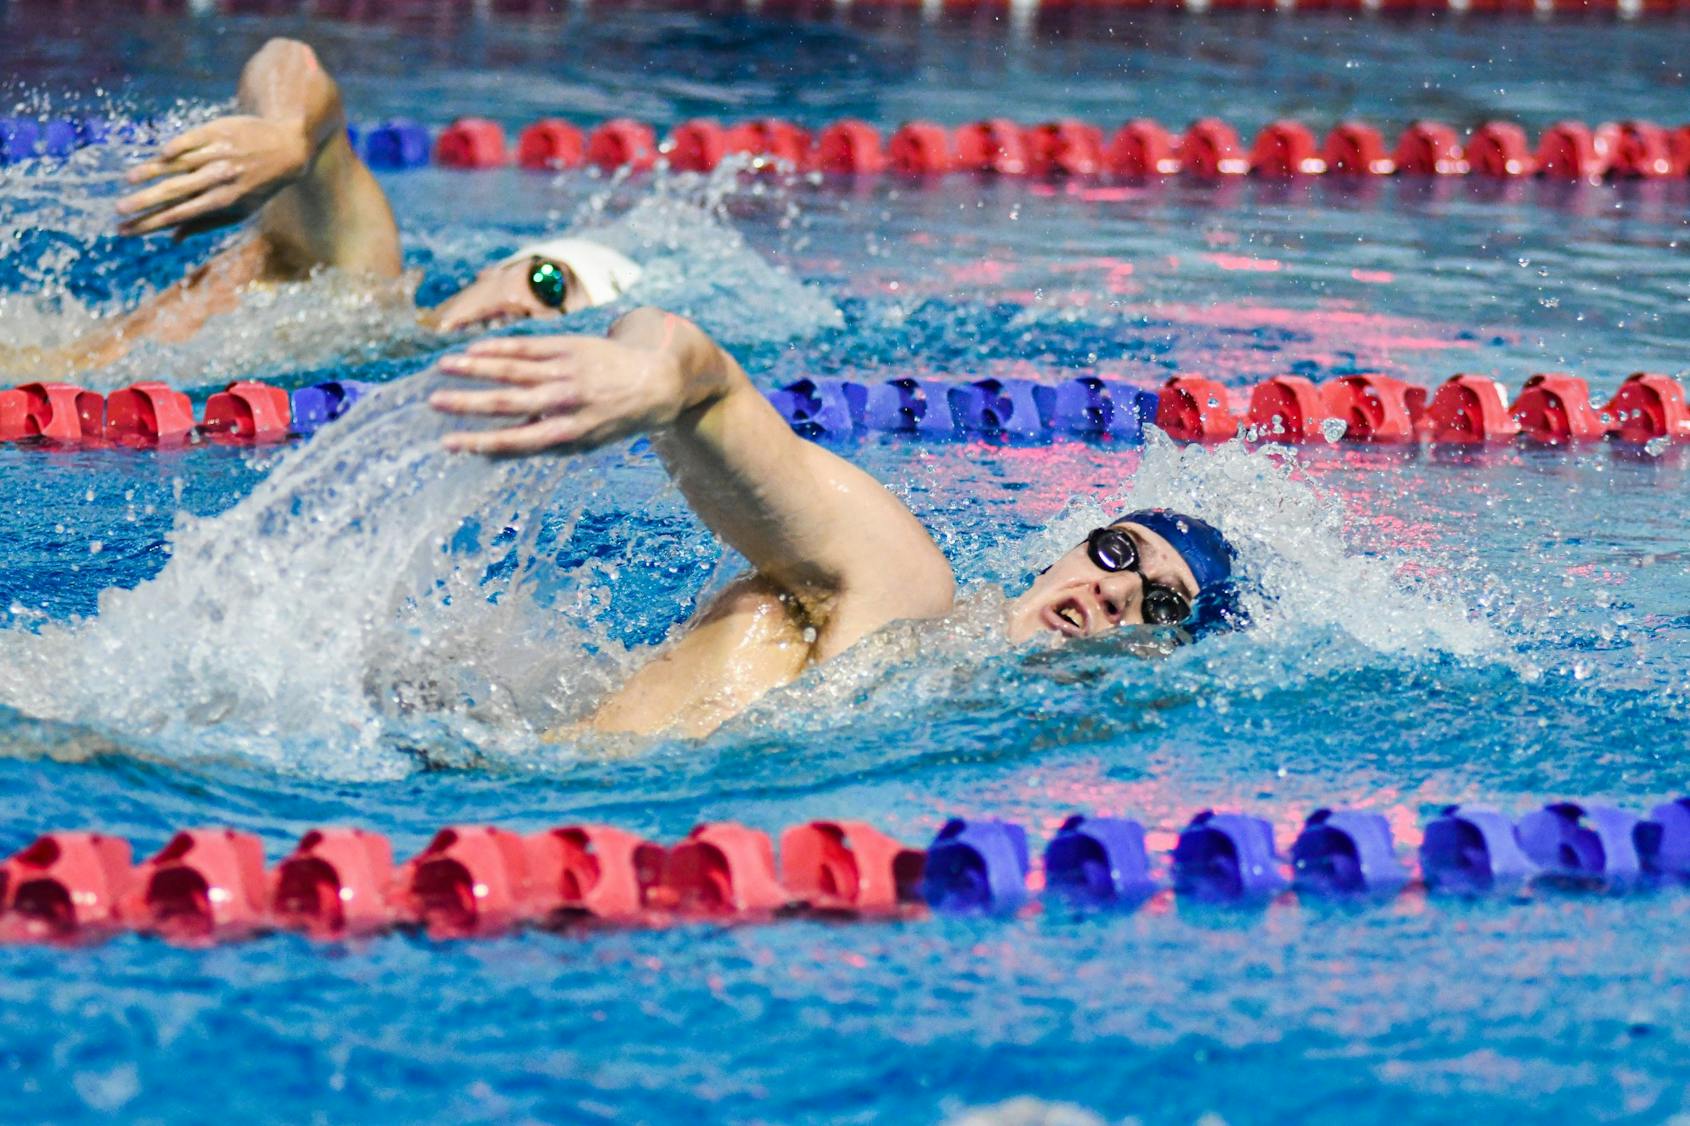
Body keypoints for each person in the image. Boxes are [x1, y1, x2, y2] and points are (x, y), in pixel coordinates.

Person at [430, 309, 1242, 739]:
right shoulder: (908, 595)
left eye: (1160, 605)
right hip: (531, 798)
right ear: (1063, 551)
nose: (1113, 592)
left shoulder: (973, 726)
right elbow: (700, 369)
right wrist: (652, 377)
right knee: (770, 616)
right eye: (1114, 551)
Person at [2, 38, 641, 378]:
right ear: (495, 267)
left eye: (556, 325)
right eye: (548, 281)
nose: (533, 311)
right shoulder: (363, 281)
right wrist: (285, 135)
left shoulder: (368, 365)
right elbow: (294, 62)